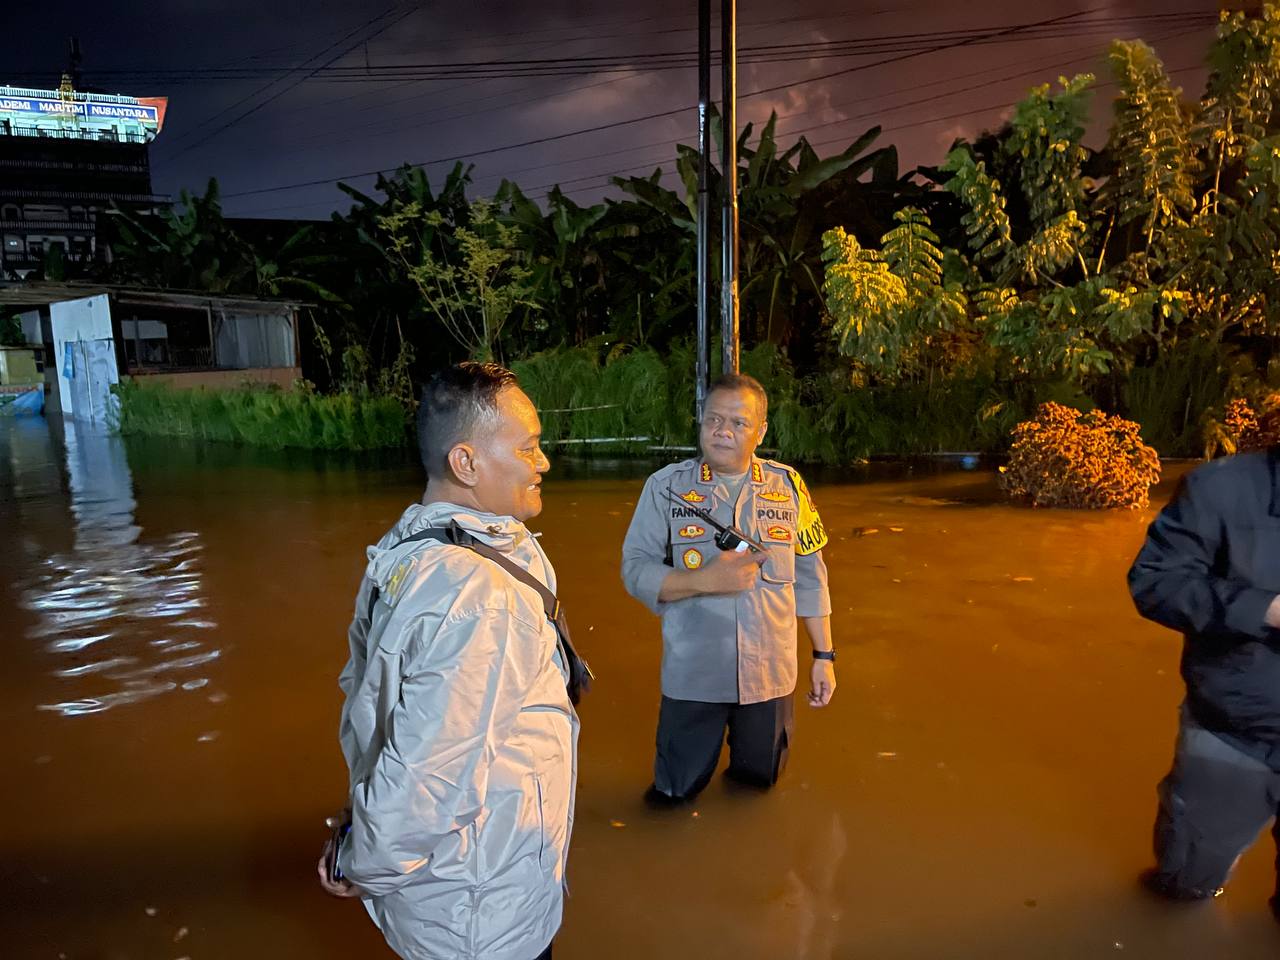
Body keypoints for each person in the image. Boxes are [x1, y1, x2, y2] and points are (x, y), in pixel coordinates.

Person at [316, 362, 579, 960]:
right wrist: (363, 860)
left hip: (474, 886)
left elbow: (368, 706)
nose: (543, 463)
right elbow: (424, 780)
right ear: (466, 464)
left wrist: (357, 825)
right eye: (528, 447)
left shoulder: (415, 546)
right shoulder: (479, 597)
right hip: (479, 915)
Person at [621, 373, 835, 804]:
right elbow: (633, 569)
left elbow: (811, 576)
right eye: (713, 419)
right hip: (693, 677)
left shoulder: (789, 487)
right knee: (673, 793)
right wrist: (704, 580)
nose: (722, 431)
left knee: (758, 786)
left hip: (770, 679)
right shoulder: (666, 488)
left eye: (738, 423)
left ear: (761, 431)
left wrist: (824, 656)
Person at [1128, 446, 1280, 919]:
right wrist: (1266, 609)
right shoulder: (1219, 486)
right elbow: (1155, 582)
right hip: (1233, 729)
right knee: (1185, 881)